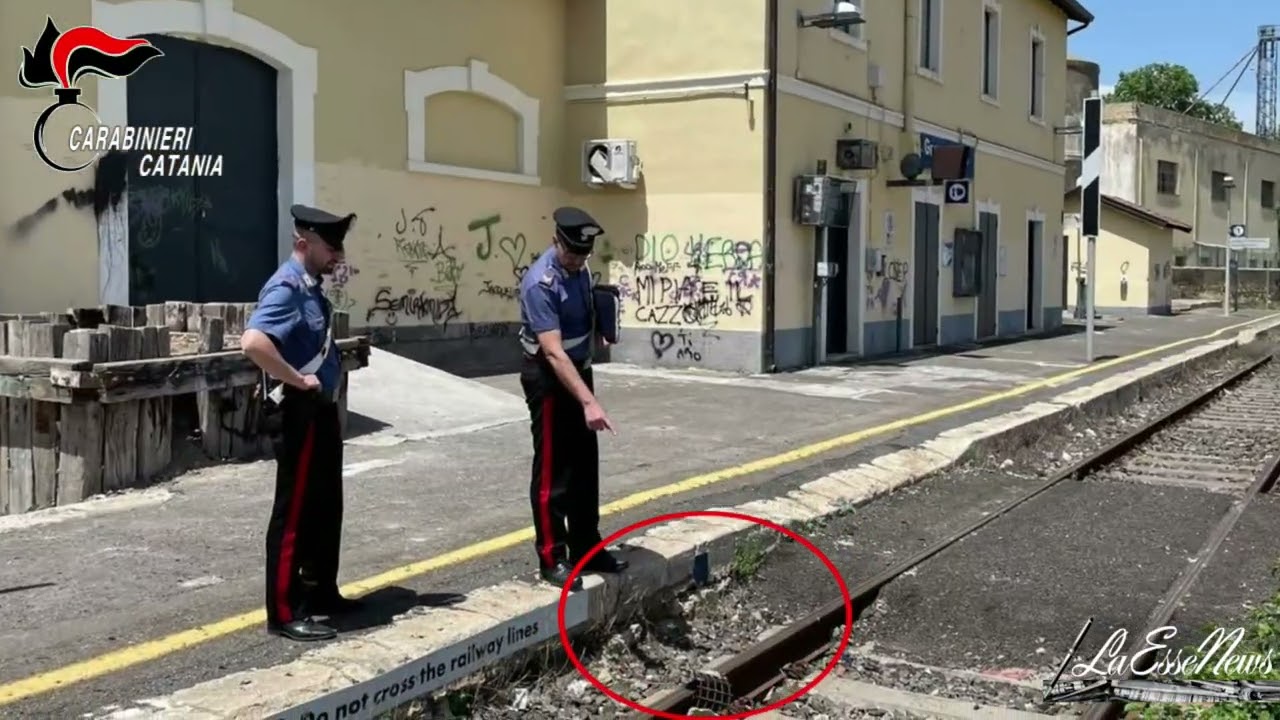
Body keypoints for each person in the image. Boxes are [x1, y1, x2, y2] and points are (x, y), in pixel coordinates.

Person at [241, 204, 363, 642]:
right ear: (302, 243)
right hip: (299, 409)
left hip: (321, 409)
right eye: (331, 247)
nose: (338, 255)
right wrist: (296, 378)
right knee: (293, 512)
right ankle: (284, 610)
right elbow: (253, 343)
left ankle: (321, 593)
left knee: (326, 505)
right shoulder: (287, 287)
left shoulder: (311, 286)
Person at [518, 206, 630, 590]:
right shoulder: (540, 283)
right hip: (549, 378)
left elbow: (581, 312)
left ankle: (587, 545)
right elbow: (552, 351)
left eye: (583, 254)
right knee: (553, 469)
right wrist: (588, 402)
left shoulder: (579, 270)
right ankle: (552, 557)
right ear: (556, 242)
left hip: (578, 371)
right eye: (571, 253)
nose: (577, 260)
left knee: (584, 464)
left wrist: (600, 326)